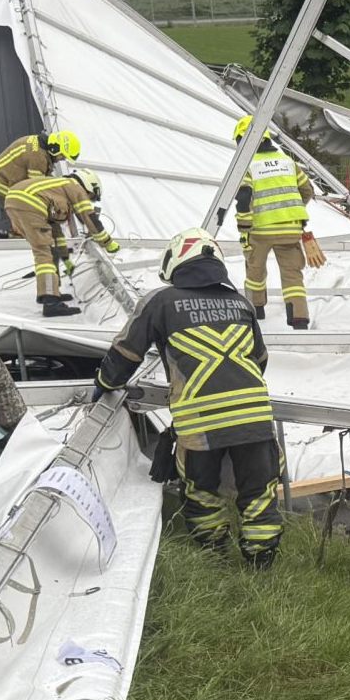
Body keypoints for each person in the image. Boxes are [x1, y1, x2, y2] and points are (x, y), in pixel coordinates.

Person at [93, 228, 283, 567]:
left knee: (202, 488)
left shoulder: (160, 302)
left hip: (199, 421)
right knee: (259, 490)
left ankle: (215, 555)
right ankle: (262, 564)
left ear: (175, 262)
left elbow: (126, 353)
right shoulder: (241, 303)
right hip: (254, 415)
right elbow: (260, 359)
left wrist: (105, 383)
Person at [3, 169, 121, 318]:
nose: (88, 200)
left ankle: (53, 293)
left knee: (48, 249)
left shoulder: (57, 188)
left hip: (15, 201)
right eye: (91, 196)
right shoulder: (75, 187)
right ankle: (51, 303)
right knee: (43, 251)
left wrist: (65, 259)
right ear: (89, 186)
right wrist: (107, 242)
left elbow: (56, 233)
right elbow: (90, 218)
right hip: (28, 203)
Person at [233, 116, 314, 328]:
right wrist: (290, 209)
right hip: (290, 230)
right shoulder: (289, 163)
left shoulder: (249, 166)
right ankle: (299, 320)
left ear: (244, 139)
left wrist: (244, 227)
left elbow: (243, 199)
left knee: (255, 270)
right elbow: (307, 191)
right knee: (292, 276)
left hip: (260, 230)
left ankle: (255, 311)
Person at [0, 129, 79, 205]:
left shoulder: (38, 143)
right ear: (55, 148)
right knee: (22, 208)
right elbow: (37, 188)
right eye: (62, 156)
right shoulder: (38, 157)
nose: (61, 160)